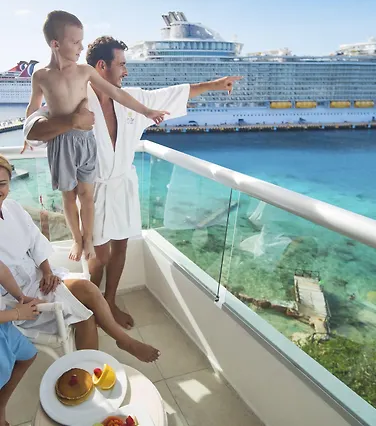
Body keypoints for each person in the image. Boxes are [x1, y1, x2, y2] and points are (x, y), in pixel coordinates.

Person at [24, 35, 242, 329]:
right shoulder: (73, 98)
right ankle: (93, 305)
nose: (126, 71)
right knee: (98, 254)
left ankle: (110, 301)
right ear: (102, 66)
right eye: (122, 64)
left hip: (123, 185)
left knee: (121, 246)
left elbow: (172, 94)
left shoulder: (131, 99)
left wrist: (214, 85)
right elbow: (33, 127)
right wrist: (67, 123)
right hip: (93, 190)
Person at [27, 11, 169, 262]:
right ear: (55, 44)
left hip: (85, 140)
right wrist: (27, 137)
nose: (81, 47)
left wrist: (147, 111)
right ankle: (77, 239)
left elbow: (118, 94)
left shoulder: (84, 71)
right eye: (75, 42)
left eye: (82, 41)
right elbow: (33, 109)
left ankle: (89, 240)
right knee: (68, 196)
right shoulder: (40, 76)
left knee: (87, 195)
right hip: (60, 143)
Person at [0, 155, 160, 362]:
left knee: (88, 293)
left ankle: (94, 364)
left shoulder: (12, 208)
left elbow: (36, 241)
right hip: (16, 300)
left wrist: (47, 272)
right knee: (87, 313)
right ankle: (120, 344)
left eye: (2, 184)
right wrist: (19, 307)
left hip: (40, 279)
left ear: (9, 184)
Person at [0, 260, 39, 426]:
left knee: (28, 355)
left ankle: (1, 406)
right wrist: (17, 313)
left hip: (4, 326)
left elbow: (2, 270)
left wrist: (20, 297)